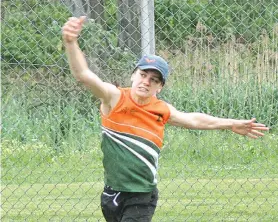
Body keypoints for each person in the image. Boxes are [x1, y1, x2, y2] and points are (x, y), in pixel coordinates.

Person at [62, 16, 269, 222]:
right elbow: (84, 75)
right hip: (111, 194)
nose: (146, 82)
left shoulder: (161, 109)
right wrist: (71, 42)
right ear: (133, 75)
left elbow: (195, 120)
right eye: (143, 75)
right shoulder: (114, 98)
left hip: (142, 195)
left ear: (159, 87)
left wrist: (231, 123)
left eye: (154, 80)